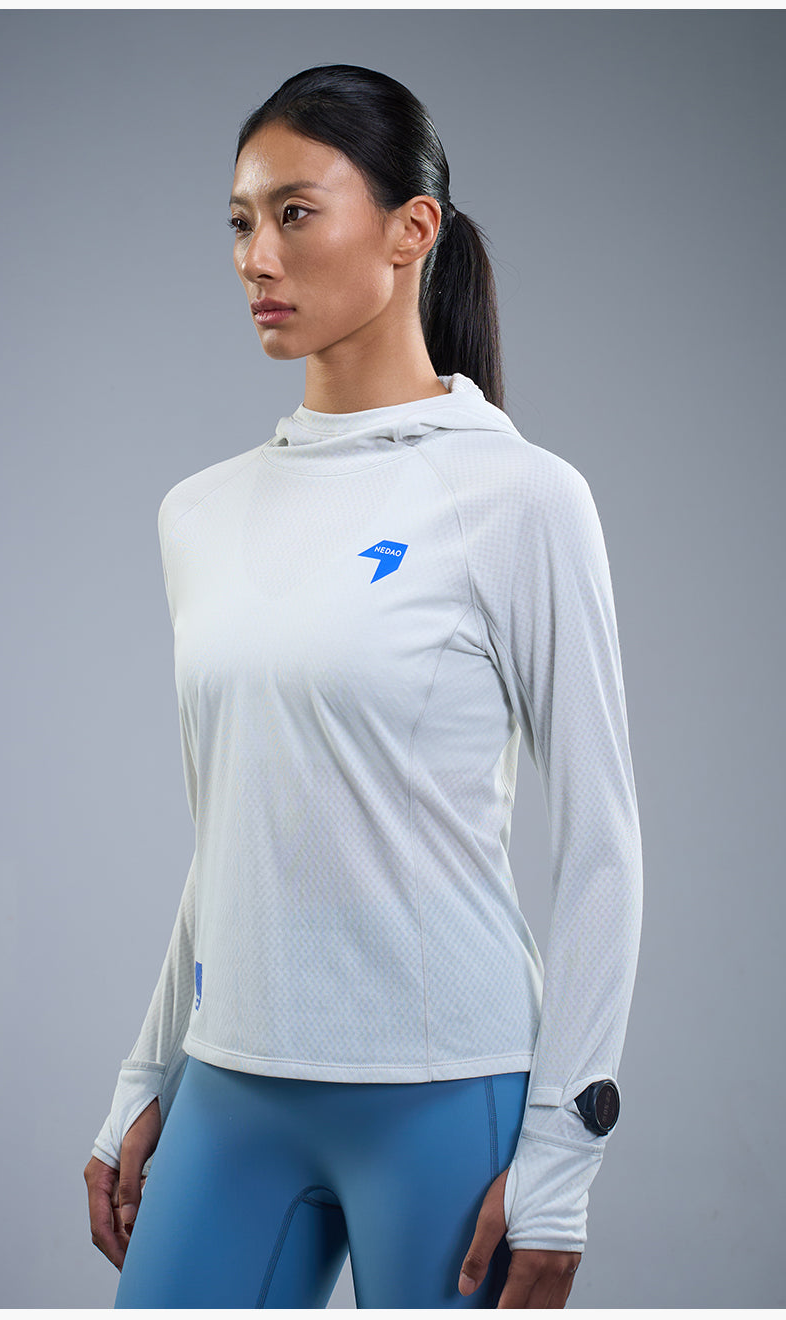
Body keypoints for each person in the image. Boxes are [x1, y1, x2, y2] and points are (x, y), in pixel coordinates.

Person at [83, 63, 643, 1309]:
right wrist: (145, 1077)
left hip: (443, 1096)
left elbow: (602, 847)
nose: (256, 257)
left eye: (295, 214)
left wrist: (564, 1155)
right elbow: (232, 833)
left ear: (411, 229)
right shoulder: (198, 514)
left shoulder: (520, 499)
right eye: (240, 221)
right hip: (231, 1089)